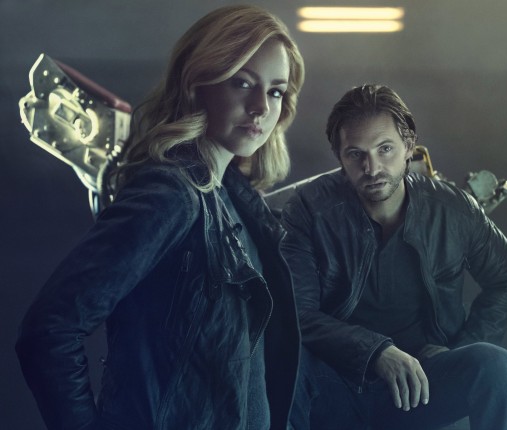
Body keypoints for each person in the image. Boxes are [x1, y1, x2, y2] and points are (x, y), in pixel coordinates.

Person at [16, 5, 304, 430]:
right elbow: (50, 330)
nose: (261, 106)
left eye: (276, 91)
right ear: (198, 83)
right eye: (242, 82)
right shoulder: (172, 195)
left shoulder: (236, 202)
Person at [282, 84, 507, 430]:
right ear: (339, 157)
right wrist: (376, 352)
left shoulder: (453, 208)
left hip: (422, 384)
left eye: (385, 149)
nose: (372, 168)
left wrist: (461, 347)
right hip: (338, 385)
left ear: (409, 146)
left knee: (495, 364)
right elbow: (297, 313)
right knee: (282, 361)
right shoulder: (309, 209)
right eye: (355, 154)